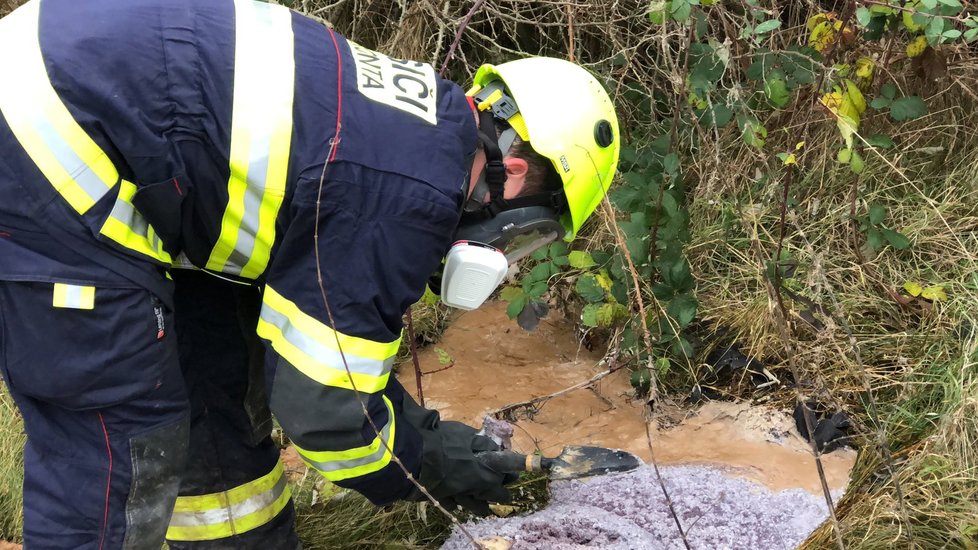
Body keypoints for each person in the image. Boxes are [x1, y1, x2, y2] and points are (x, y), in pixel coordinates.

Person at [0, 0, 620, 548]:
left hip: (81, 97)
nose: (512, 256)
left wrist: (424, 435)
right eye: (529, 232)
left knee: (211, 378)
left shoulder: (417, 131)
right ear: (511, 175)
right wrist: (435, 462)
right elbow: (327, 411)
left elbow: (330, 354)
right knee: (124, 439)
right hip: (51, 141)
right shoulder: (408, 195)